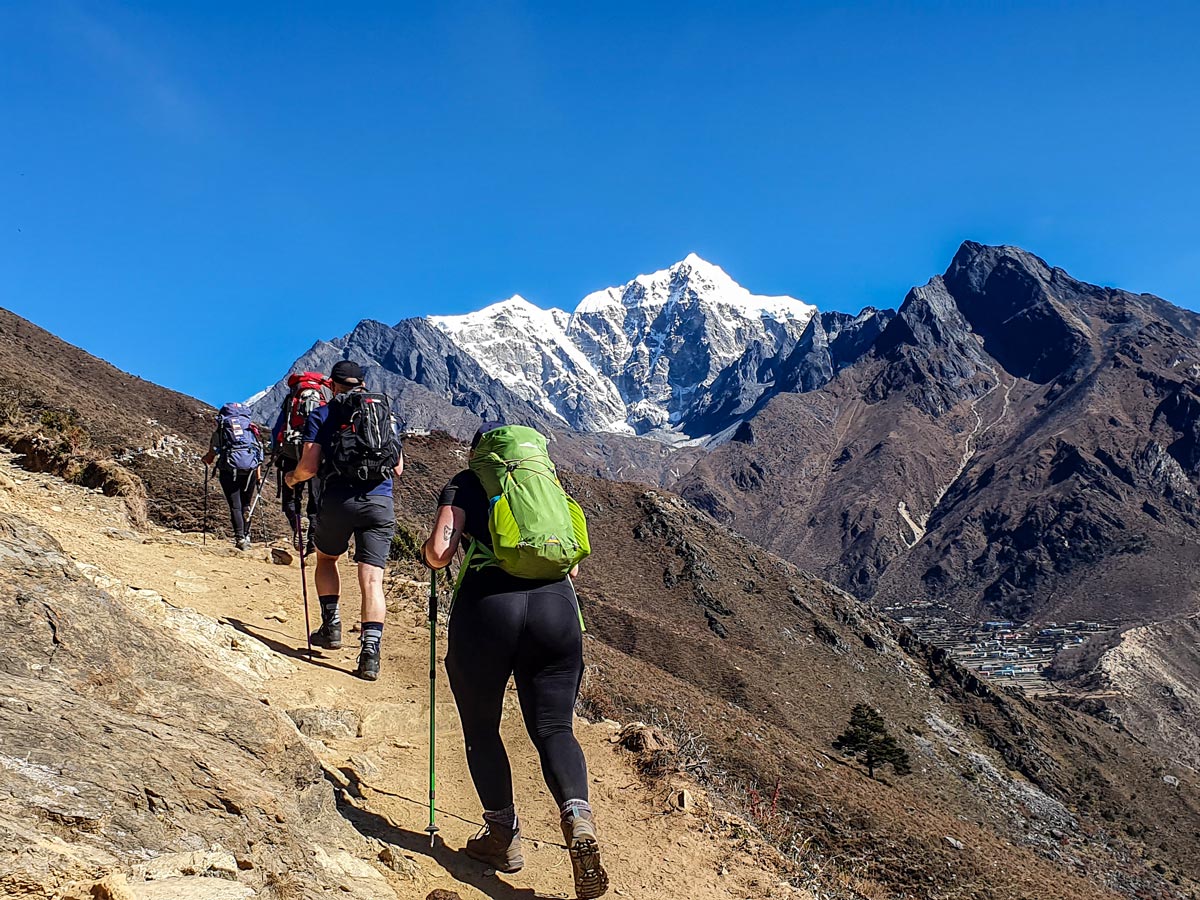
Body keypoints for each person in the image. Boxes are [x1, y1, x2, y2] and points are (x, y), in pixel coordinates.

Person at [421, 423, 608, 900]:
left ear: (479, 451)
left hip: (489, 609)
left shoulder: (466, 482)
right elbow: (574, 562)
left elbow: (440, 553)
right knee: (554, 728)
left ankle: (503, 837)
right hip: (557, 610)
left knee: (482, 728)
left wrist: (433, 548)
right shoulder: (546, 483)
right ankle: (577, 816)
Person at [284, 360, 403, 681]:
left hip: (338, 501)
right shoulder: (384, 413)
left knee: (326, 559)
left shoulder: (322, 414)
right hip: (380, 502)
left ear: (331, 385)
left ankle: (331, 626)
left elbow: (308, 467)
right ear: (363, 383)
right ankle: (369, 654)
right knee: (372, 580)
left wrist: (292, 480)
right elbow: (398, 468)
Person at [271, 371, 330, 552]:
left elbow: (278, 428)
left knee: (291, 494)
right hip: (317, 453)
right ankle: (313, 538)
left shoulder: (292, 401)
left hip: (291, 450)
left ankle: (297, 524)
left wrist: (275, 450)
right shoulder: (323, 402)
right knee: (316, 497)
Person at [202, 402, 264, 551]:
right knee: (246, 504)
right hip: (250, 470)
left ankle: (240, 538)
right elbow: (257, 452)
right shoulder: (250, 428)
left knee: (235, 506)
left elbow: (211, 455)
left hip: (229, 470)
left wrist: (206, 459)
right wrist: (258, 476)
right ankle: (247, 535)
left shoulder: (222, 429)